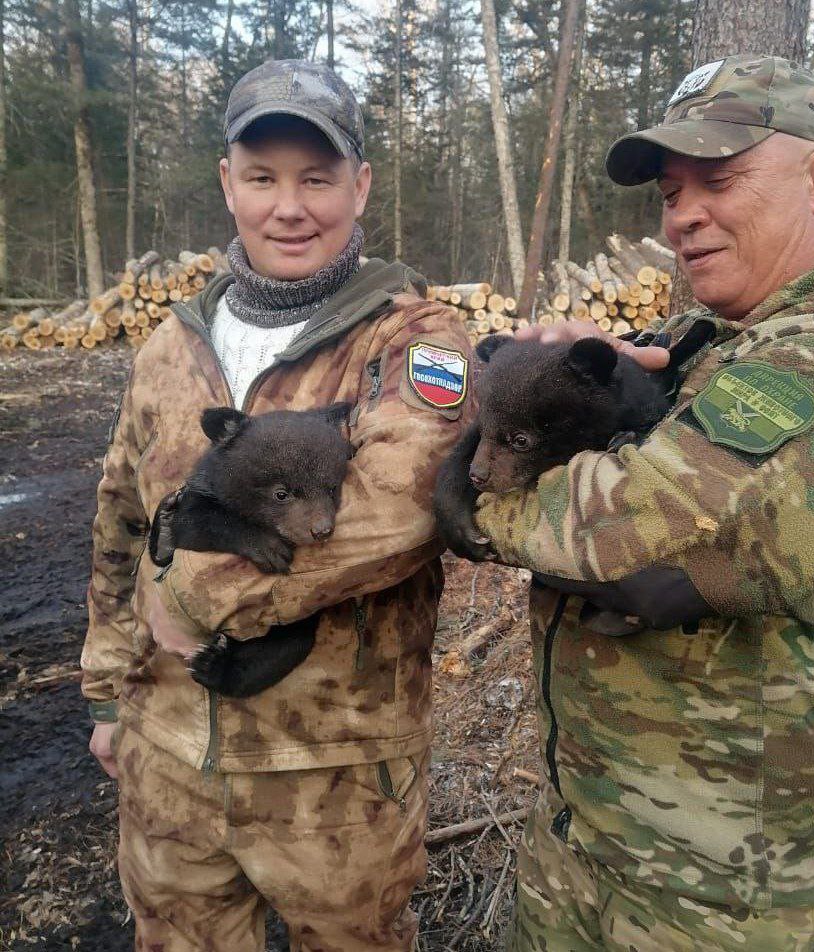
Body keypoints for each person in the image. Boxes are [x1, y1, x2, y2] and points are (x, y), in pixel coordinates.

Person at [470, 54, 814, 951]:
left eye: (721, 178)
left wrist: (480, 492)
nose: (684, 214)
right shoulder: (718, 345)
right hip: (594, 841)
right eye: (668, 191)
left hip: (736, 903)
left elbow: (636, 536)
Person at [81, 59, 473, 951]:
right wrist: (110, 697)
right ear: (228, 184)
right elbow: (120, 522)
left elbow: (399, 515)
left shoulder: (413, 342)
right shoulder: (169, 347)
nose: (288, 207)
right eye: (262, 178)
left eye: (317, 178)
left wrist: (191, 598)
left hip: (336, 783)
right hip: (169, 762)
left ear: (361, 185)